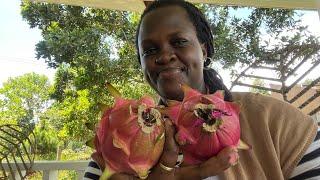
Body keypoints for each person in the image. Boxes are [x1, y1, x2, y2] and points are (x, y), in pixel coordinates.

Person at [84, 0, 320, 179]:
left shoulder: (275, 122)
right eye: (149, 50)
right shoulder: (115, 143)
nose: (164, 56)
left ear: (204, 51)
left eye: (179, 42)